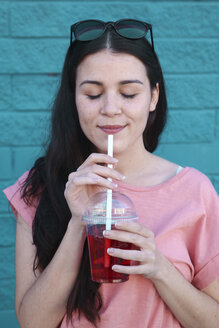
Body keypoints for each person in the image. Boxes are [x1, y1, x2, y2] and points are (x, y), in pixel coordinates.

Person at [3, 19, 219, 328]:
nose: (111, 108)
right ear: (73, 98)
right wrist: (79, 222)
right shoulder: (40, 187)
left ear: (153, 97)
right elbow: (33, 322)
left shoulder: (195, 191)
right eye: (92, 94)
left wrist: (160, 268)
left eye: (129, 94)